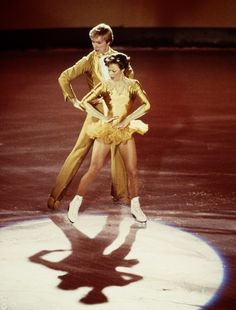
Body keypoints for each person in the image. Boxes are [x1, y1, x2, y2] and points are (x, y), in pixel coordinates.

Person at [47, 23, 134, 209]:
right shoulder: (89, 60)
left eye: (99, 43)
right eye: (93, 42)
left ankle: (121, 194)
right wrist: (73, 100)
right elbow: (64, 77)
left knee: (117, 149)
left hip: (116, 113)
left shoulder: (121, 60)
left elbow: (130, 85)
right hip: (97, 113)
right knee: (80, 150)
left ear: (108, 41)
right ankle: (56, 195)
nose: (95, 46)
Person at [67, 53, 150, 223]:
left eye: (113, 70)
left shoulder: (133, 85)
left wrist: (128, 119)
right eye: (109, 70)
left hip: (125, 130)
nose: (110, 73)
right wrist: (103, 117)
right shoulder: (104, 85)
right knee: (94, 168)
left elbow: (147, 105)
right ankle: (75, 203)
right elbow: (85, 102)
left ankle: (136, 205)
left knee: (132, 171)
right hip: (106, 130)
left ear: (123, 70)